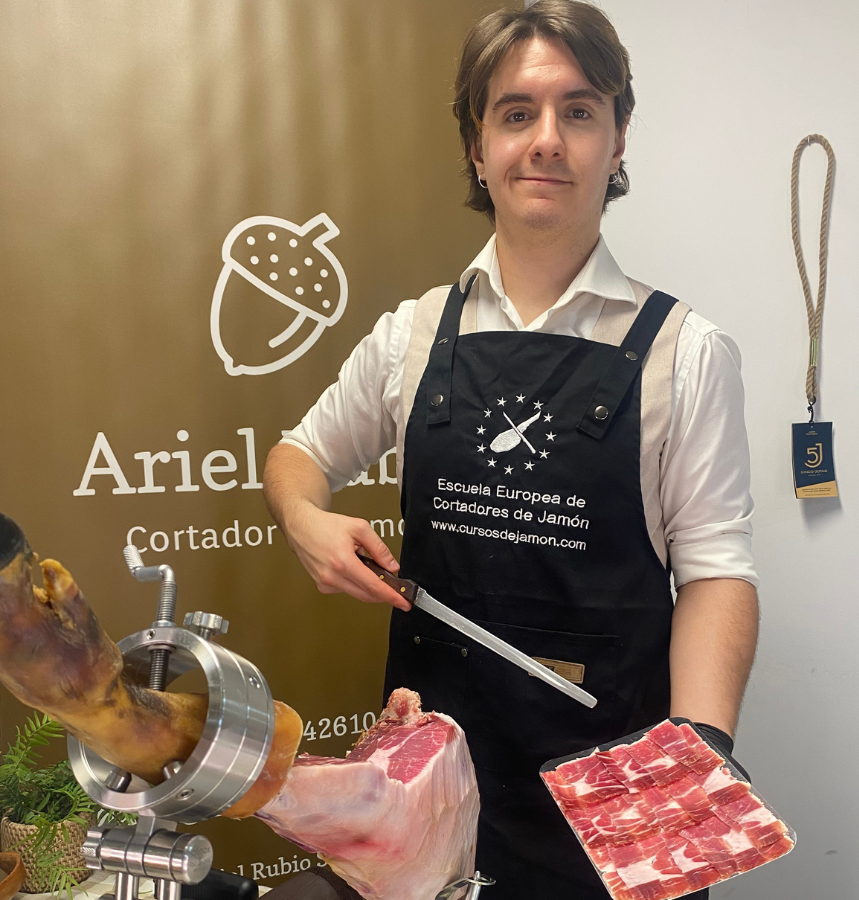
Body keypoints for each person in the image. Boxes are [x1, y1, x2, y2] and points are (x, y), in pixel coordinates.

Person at [263, 2, 759, 898]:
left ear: (618, 139)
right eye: (517, 112)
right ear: (477, 144)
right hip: (425, 794)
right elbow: (299, 454)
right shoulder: (411, 335)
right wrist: (304, 518)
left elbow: (717, 570)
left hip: (610, 797)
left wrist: (698, 752)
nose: (547, 140)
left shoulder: (687, 353)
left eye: (580, 111)